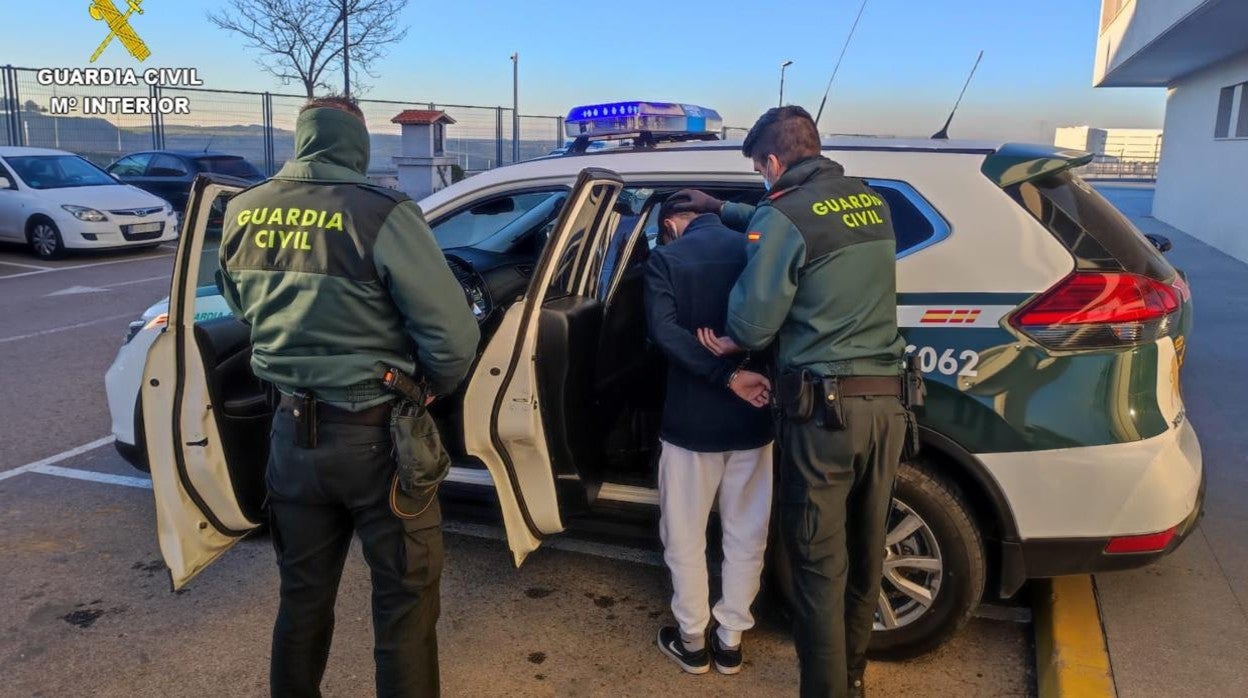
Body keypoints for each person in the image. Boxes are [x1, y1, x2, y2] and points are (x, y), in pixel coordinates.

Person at [216, 96, 480, 697]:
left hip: (289, 437)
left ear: (304, 138)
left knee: (301, 601)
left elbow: (238, 305)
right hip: (378, 439)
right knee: (404, 606)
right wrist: (431, 387)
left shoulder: (242, 210)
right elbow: (453, 335)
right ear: (356, 143)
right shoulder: (380, 212)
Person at [675, 105, 908, 698]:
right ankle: (852, 678)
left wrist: (729, 339)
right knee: (865, 551)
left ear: (773, 161)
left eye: (759, 169)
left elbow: (752, 323)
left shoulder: (783, 215)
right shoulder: (869, 202)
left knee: (818, 568)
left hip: (826, 417)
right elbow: (791, 224)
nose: (761, 178)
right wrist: (722, 208)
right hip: (888, 407)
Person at [642, 194, 775, 676]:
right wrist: (745, 372)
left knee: (684, 532)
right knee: (746, 531)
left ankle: (693, 640)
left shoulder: (666, 258)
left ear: (674, 223)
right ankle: (731, 640)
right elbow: (778, 321)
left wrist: (720, 374)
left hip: (690, 423)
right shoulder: (754, 251)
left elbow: (663, 333)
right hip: (754, 417)